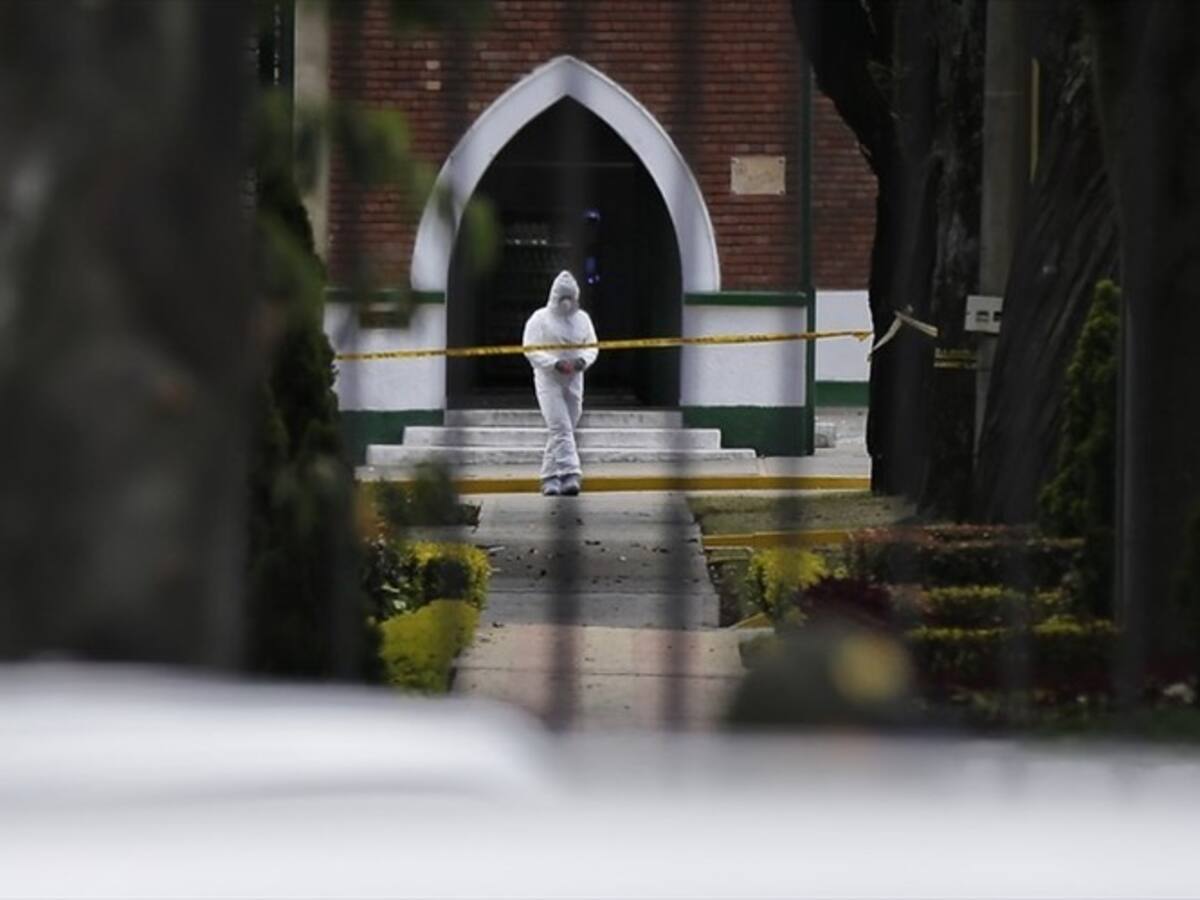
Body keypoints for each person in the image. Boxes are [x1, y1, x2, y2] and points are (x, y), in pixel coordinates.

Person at [522, 270, 599, 496]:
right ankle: (571, 472)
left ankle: (549, 477)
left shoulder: (583, 320)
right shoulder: (539, 319)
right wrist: (554, 364)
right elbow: (530, 348)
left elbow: (592, 345)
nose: (566, 303)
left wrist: (581, 362)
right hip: (548, 379)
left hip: (575, 378)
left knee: (567, 426)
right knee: (560, 426)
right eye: (561, 297)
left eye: (570, 298)